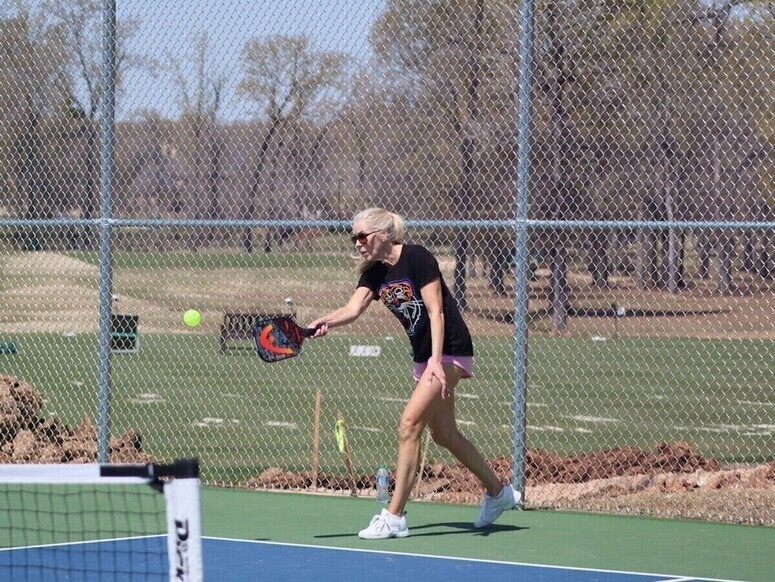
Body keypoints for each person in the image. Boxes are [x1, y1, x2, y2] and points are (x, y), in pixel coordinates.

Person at [309, 208, 520, 540]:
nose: (357, 243)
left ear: (383, 234)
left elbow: (436, 311)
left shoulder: (417, 257)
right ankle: (498, 493)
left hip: (449, 349)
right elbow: (353, 308)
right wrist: (324, 322)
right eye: (354, 238)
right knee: (445, 435)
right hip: (425, 356)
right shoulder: (375, 273)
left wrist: (436, 360)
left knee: (409, 425)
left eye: (362, 236)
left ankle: (394, 517)